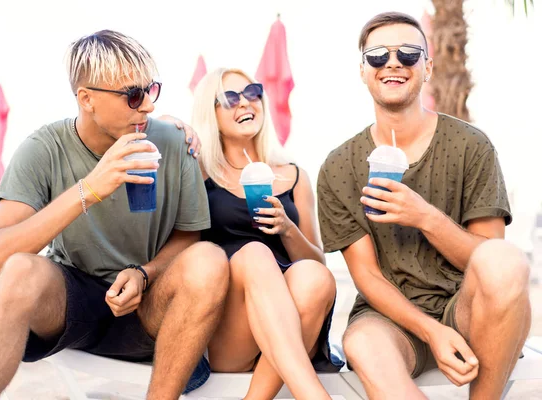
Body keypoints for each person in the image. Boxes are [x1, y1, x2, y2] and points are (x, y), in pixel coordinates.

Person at [0, 30, 230, 400]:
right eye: (133, 95)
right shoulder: (43, 149)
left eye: (151, 90)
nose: (146, 105)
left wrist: (144, 275)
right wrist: (89, 190)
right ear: (86, 99)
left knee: (209, 258)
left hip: (148, 304)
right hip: (71, 302)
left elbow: (187, 238)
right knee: (20, 270)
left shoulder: (173, 141)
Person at [317, 11, 531, 400]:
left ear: (428, 67)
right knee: (362, 344)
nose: (393, 63)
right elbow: (367, 276)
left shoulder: (471, 146)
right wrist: (431, 331)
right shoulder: (339, 166)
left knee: (507, 260)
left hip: (467, 307)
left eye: (409, 54)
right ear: (363, 70)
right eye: (378, 55)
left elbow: (491, 263)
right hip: (390, 319)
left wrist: (426, 217)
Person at [190, 67, 342, 400]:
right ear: (210, 113)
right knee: (255, 252)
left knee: (314, 277)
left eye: (253, 92)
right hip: (230, 329)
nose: (245, 103)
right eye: (230, 98)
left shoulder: (295, 175)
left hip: (295, 325)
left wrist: (287, 229)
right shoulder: (198, 173)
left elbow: (320, 261)